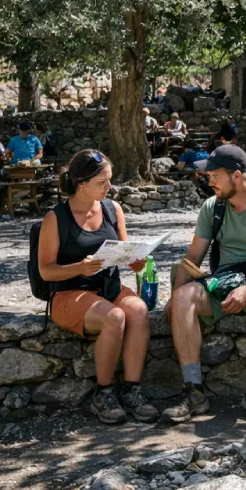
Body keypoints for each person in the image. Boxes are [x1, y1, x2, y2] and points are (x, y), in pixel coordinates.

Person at [163, 145, 246, 422]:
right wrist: (175, 296)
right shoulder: (212, 207)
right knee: (184, 298)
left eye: (214, 175)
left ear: (236, 176)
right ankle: (194, 392)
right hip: (223, 280)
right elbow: (192, 258)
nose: (208, 181)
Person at [37, 150, 157, 424]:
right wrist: (79, 267)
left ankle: (132, 390)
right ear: (81, 183)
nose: (109, 187)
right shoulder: (55, 218)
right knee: (114, 317)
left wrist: (135, 263)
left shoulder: (112, 209)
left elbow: (124, 251)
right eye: (102, 182)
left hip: (108, 287)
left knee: (138, 310)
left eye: (109, 180)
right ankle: (103, 394)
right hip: (69, 292)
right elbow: (46, 270)